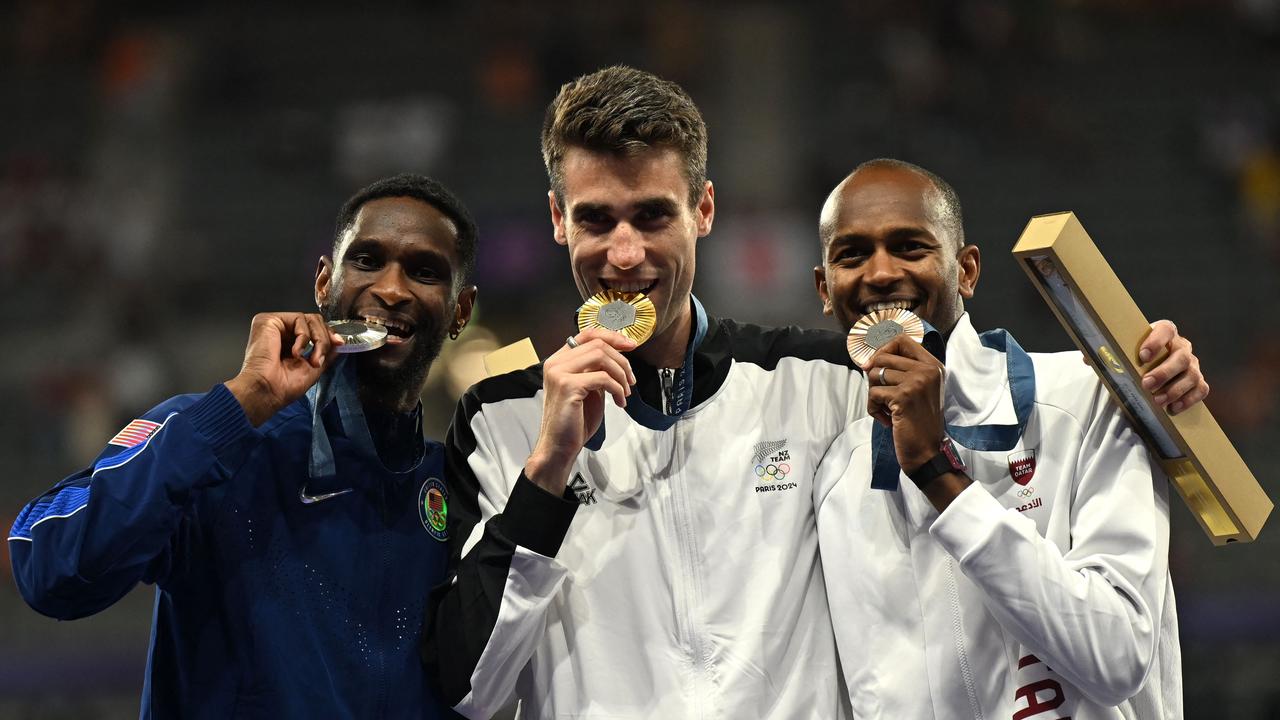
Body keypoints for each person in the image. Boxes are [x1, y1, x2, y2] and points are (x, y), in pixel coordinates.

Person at [423, 68, 1204, 718]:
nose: (625, 253)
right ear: (559, 220)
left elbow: (954, 375)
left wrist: (1147, 368)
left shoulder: (818, 380)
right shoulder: (501, 420)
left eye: (653, 215)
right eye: (597, 219)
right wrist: (547, 474)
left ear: (703, 210)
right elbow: (468, 692)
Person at [9, 173, 478, 719]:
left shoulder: (459, 487)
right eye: (367, 261)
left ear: (460, 311)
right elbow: (50, 571)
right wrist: (242, 402)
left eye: (424, 272)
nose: (392, 289)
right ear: (324, 283)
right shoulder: (215, 439)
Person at [812, 158, 1199, 719]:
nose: (879, 273)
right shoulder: (834, 472)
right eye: (852, 255)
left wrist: (936, 472)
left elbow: (1117, 654)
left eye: (910, 247)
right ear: (825, 289)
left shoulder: (1086, 398)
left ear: (966, 270)